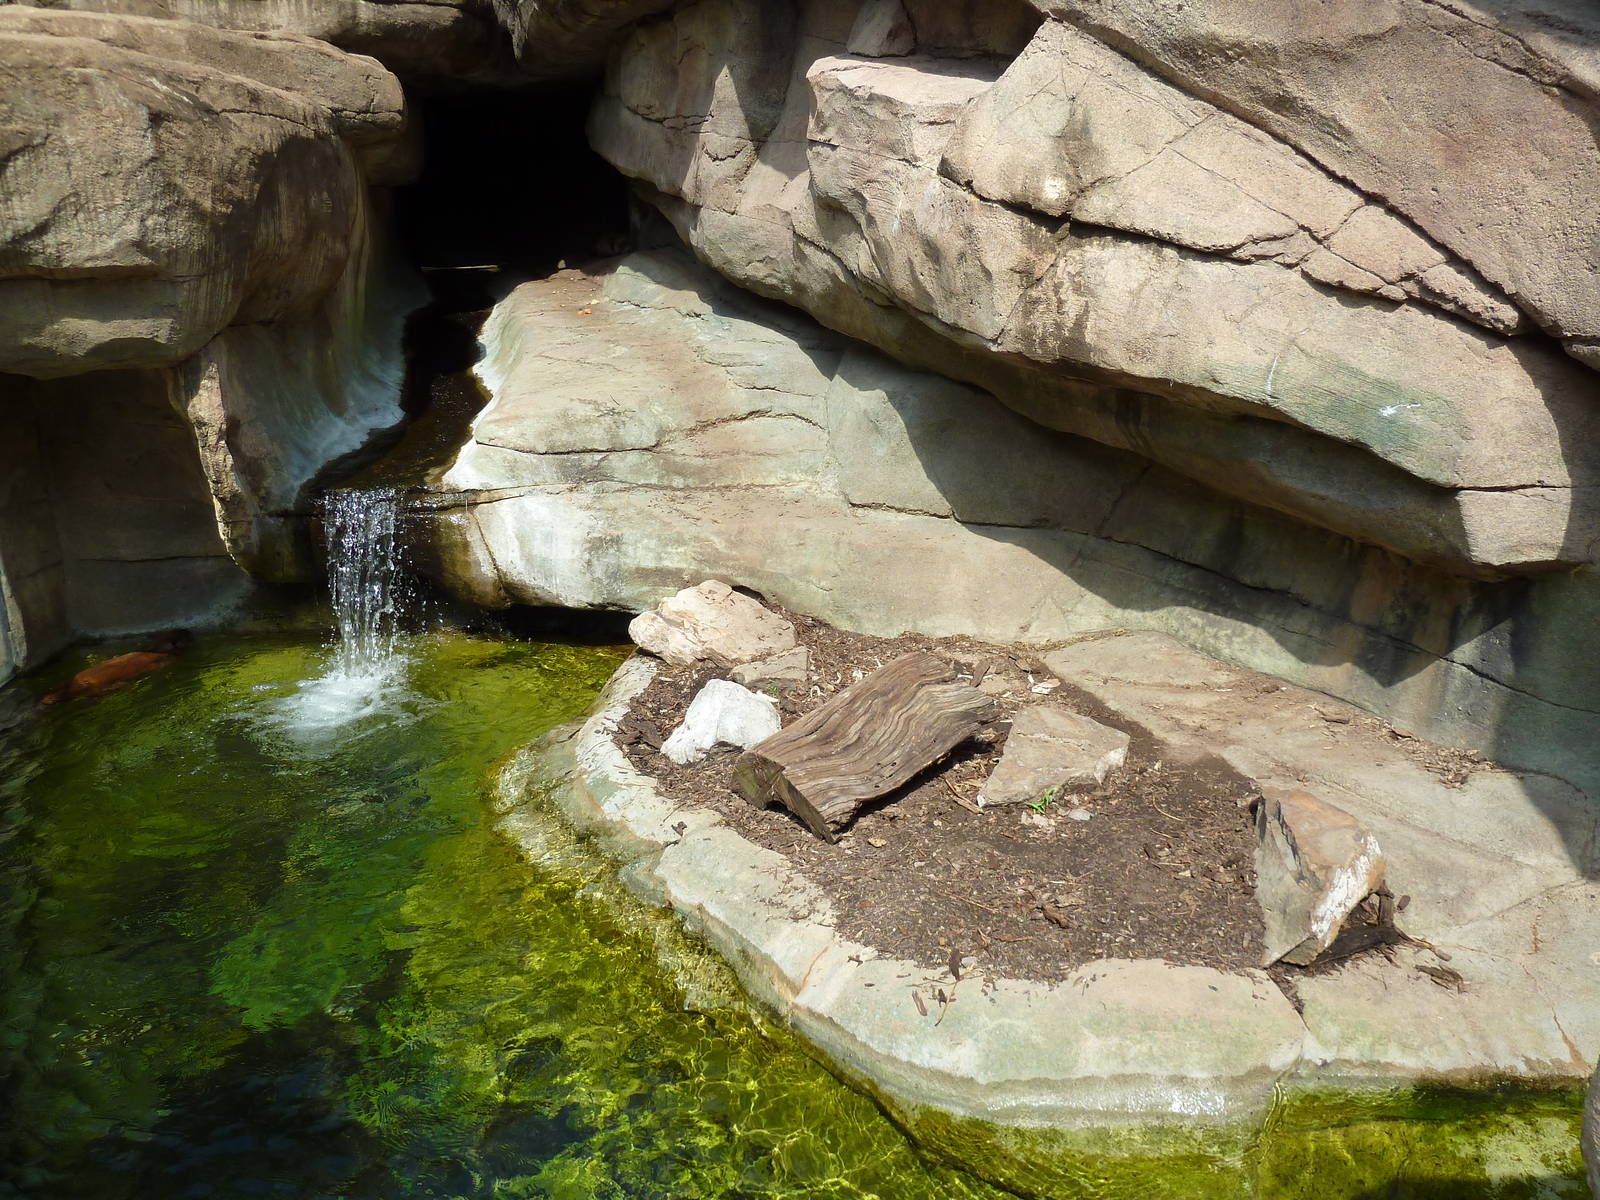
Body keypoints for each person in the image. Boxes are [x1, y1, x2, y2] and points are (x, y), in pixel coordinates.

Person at [40, 629, 193, 705]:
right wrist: (107, 692)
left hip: (85, 677)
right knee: (49, 703)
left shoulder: (137, 654)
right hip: (92, 683)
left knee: (47, 700)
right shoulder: (155, 659)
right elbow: (128, 680)